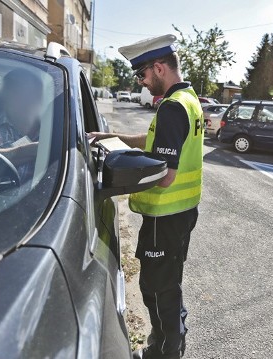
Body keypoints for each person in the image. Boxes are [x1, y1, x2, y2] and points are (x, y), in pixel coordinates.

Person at [89, 34, 203, 359]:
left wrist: (121, 178)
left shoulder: (171, 107)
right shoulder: (189, 99)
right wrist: (113, 137)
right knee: (171, 283)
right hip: (183, 214)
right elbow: (155, 140)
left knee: (156, 290)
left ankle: (164, 352)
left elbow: (164, 176)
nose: (141, 82)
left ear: (158, 68)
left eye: (141, 74)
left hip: (163, 218)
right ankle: (175, 331)